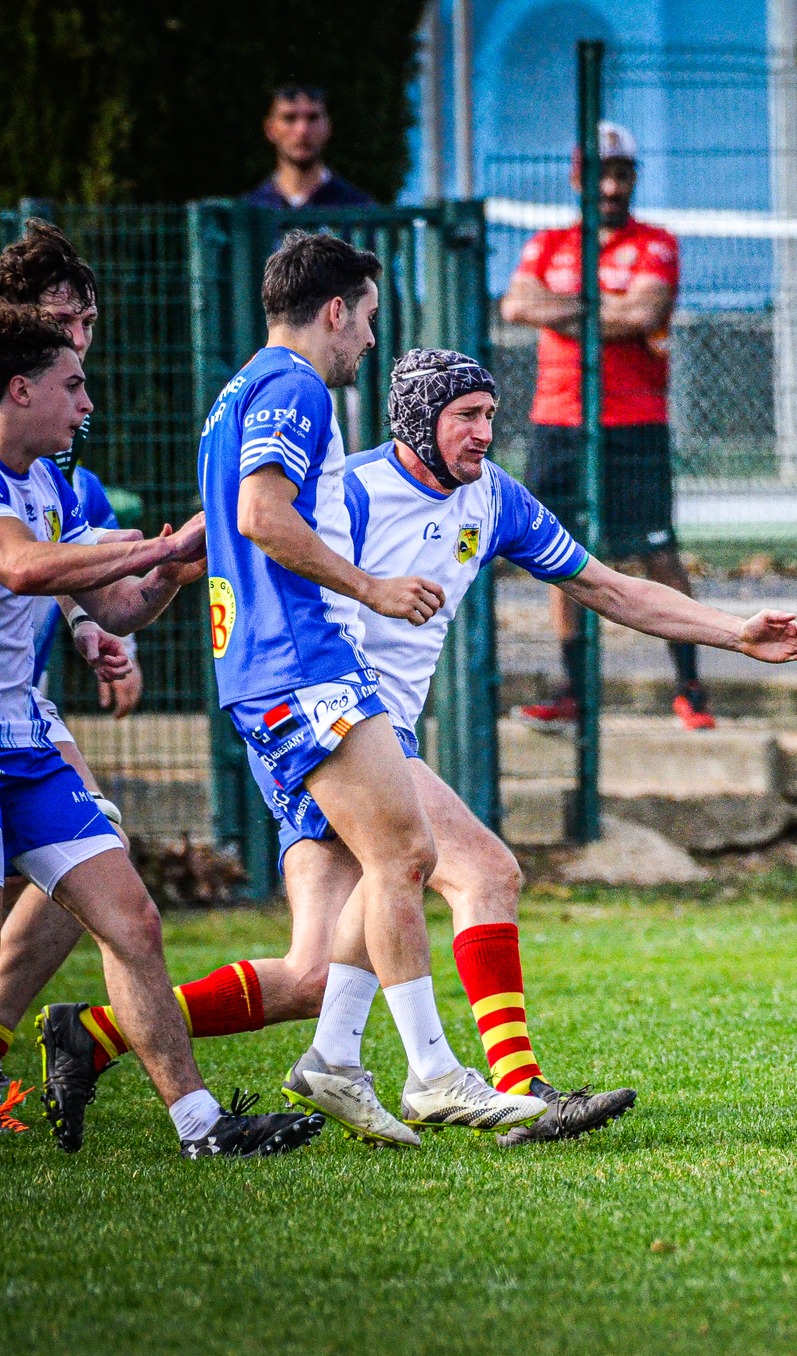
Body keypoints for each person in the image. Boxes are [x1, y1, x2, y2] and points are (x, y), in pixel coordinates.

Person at [25, 348, 797, 1148]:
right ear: (417, 419)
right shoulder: (354, 490)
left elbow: (608, 588)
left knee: (312, 975)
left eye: (490, 416)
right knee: (483, 870)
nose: (485, 434)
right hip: (333, 720)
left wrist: (734, 632)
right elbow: (250, 551)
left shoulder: (495, 499)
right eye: (466, 417)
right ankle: (515, 1089)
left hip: (353, 734)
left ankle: (99, 1034)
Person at [44, 230, 542, 1149]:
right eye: (367, 322)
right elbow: (261, 514)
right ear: (335, 309)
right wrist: (372, 587)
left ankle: (337, 1058)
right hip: (299, 659)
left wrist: (161, 567)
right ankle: (432, 1074)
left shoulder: (238, 391)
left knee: (359, 893)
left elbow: (226, 522)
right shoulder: (297, 386)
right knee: (407, 855)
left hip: (265, 664)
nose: (366, 344)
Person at [0, 303, 324, 1157]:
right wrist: (154, 545)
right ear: (19, 388)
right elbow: (22, 567)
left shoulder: (49, 484)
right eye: (73, 385)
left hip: (25, 746)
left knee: (134, 921)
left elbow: (117, 608)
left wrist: (188, 557)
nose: (87, 405)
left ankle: (201, 1126)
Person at [499, 122, 713, 731]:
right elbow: (516, 305)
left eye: (622, 175)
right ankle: (571, 690)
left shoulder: (656, 244)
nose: (612, 187)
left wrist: (564, 308)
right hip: (558, 419)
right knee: (557, 556)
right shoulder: (547, 243)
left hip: (633, 422)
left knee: (656, 552)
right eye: (601, 175)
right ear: (578, 178)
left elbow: (645, 311)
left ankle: (690, 686)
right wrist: (605, 311)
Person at [0, 222, 142, 1103]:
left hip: (22, 698)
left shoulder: (55, 467)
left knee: (91, 860)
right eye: (63, 321)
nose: (78, 343)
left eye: (86, 324)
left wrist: (95, 626)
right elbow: (21, 560)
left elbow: (45, 565)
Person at [243, 86, 377, 210]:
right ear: (270, 129)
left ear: (328, 127)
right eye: (289, 118)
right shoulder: (249, 212)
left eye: (313, 118)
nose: (302, 130)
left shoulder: (358, 209)